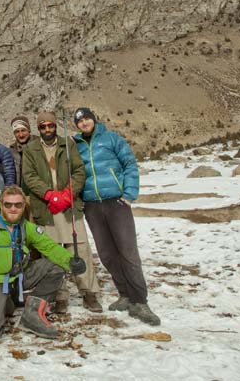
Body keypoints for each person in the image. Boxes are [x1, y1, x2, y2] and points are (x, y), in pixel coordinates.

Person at [72, 107, 160, 326]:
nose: (84, 124)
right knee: (107, 253)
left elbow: (129, 164)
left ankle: (140, 301)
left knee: (128, 251)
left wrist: (129, 194)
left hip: (116, 202)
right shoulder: (76, 146)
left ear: (94, 119)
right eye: (80, 121)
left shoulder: (111, 139)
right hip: (92, 204)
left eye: (87, 119)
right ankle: (124, 294)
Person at [0, 186, 86, 340]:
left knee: (55, 268)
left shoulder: (26, 227)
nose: (13, 209)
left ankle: (31, 314)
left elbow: (49, 246)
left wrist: (70, 261)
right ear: (1, 204)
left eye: (18, 205)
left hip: (19, 277)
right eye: (8, 204)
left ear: (24, 206)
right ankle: (6, 303)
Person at [21, 112, 104, 314]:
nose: (47, 129)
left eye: (50, 125)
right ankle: (59, 295)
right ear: (38, 128)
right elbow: (29, 177)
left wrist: (68, 194)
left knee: (80, 249)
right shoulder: (30, 149)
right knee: (51, 252)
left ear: (55, 125)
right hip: (46, 208)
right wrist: (49, 194)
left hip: (69, 208)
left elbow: (79, 171)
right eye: (43, 126)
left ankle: (88, 292)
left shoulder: (68, 144)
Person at [8, 115, 37, 187]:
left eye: (23, 130)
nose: (20, 135)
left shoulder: (39, 144)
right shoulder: (11, 151)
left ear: (29, 130)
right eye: (17, 132)